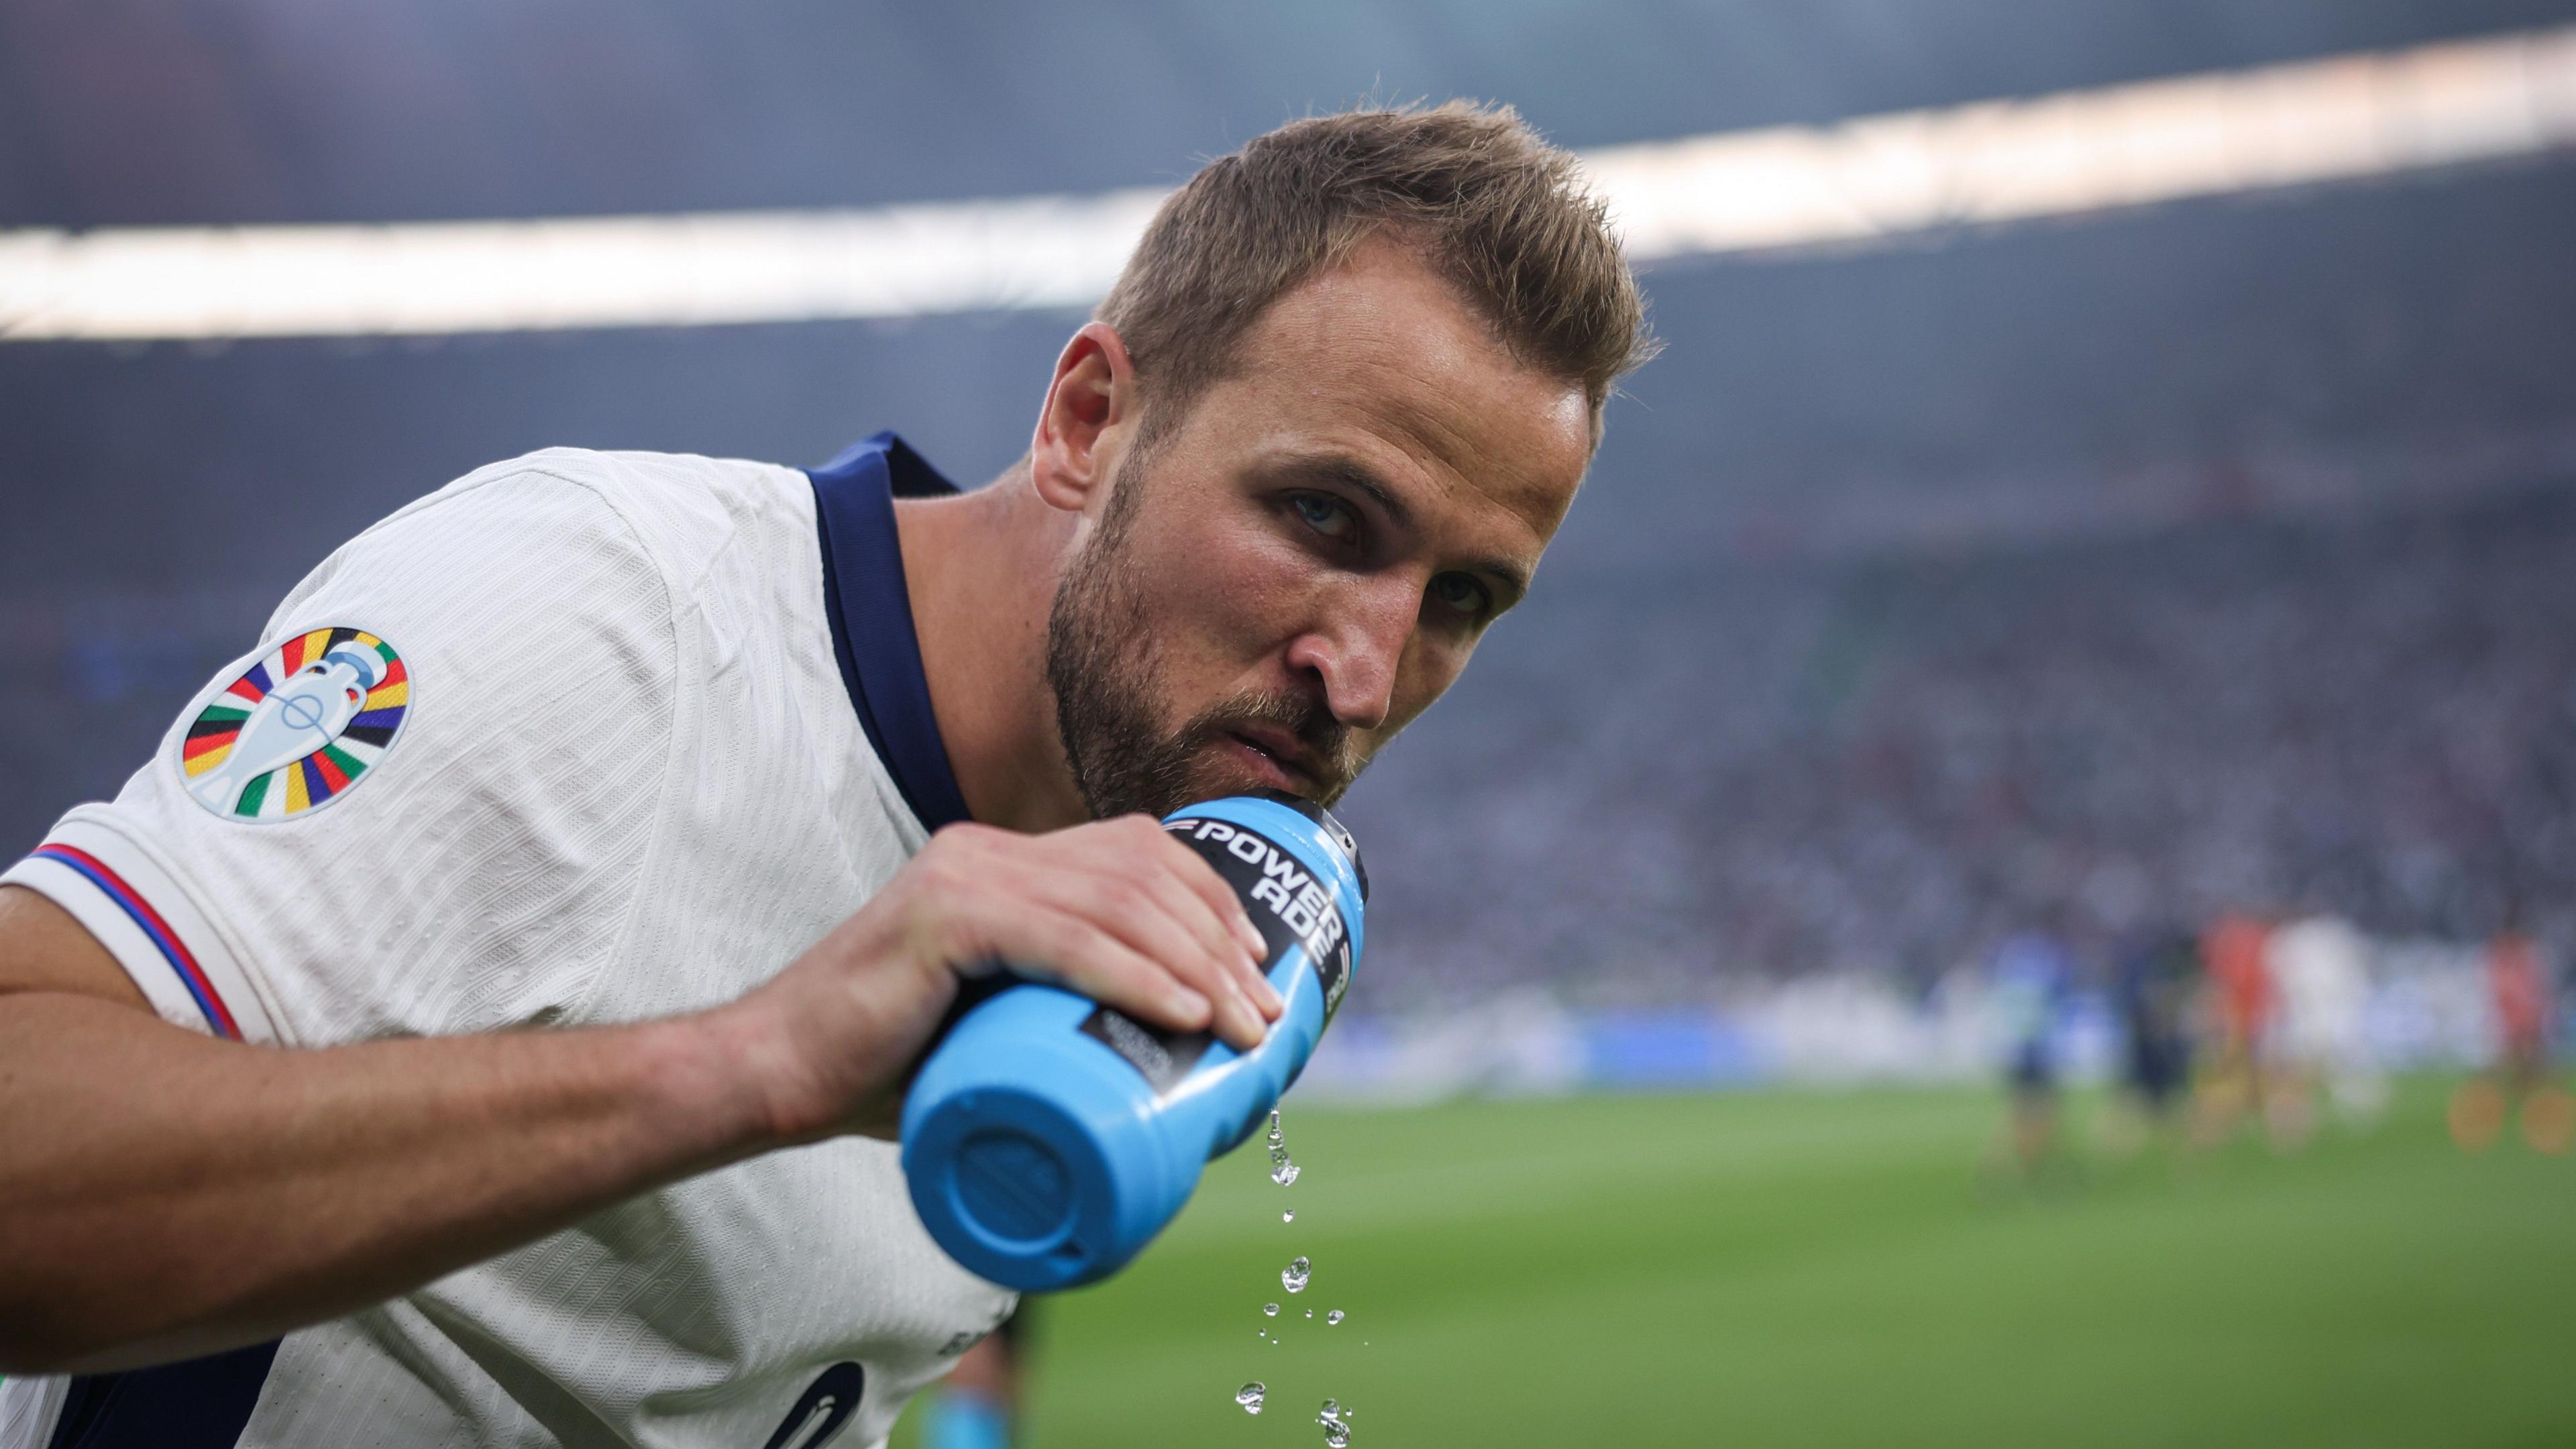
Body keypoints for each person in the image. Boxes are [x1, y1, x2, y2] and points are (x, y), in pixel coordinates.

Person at [0, 103, 1654, 1447]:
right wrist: (754, 1059)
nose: (1361, 676)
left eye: (1460, 602)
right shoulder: (607, 606)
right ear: (1087, 419)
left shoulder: (1087, 929)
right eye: (1320, 518)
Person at [2264, 912, 2385, 1144]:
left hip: (2311, 1019)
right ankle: (2293, 1120)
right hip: (2311, 1018)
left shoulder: (2291, 944)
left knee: (2301, 1072)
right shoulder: (2305, 943)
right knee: (2300, 1073)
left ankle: (2292, 1121)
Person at [2449, 927, 2570, 1154]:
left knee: (2525, 1076)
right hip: (2518, 1029)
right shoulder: (2511, 964)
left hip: (2520, 1028)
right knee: (2523, 1075)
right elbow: (2517, 1000)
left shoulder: (2511, 963)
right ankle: (2481, 1116)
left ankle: (2537, 1120)